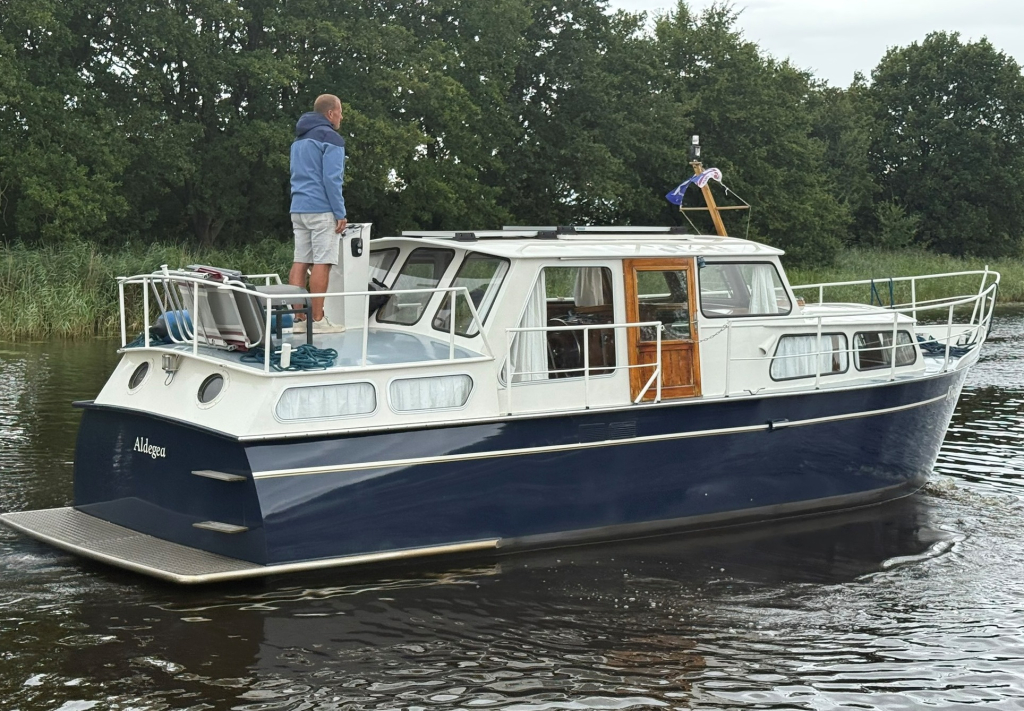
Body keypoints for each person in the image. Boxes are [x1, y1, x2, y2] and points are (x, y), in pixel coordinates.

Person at [288, 93, 348, 332]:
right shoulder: (331, 138)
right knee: (323, 262)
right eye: (340, 111)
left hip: (298, 208)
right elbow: (332, 179)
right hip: (321, 209)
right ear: (330, 113)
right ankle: (318, 320)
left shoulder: (298, 140)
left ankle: (299, 320)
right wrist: (340, 212)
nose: (341, 116)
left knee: (300, 261)